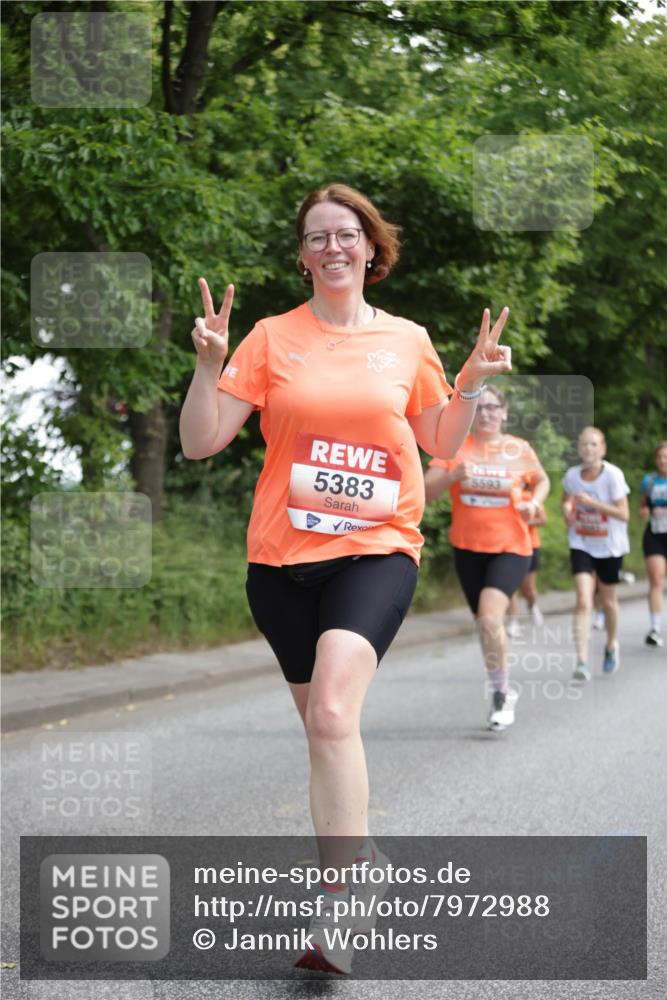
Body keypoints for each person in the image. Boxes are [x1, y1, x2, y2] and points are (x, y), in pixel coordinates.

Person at [179, 183, 512, 974]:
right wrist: (209, 366)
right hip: (279, 563)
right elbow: (199, 443)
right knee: (322, 731)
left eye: (347, 234)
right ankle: (363, 860)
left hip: (377, 548)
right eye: (317, 237)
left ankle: (342, 905)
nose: (333, 248)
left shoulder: (406, 340)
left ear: (371, 248)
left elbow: (439, 439)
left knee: (331, 712)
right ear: (302, 257)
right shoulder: (267, 338)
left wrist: (465, 382)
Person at [424, 385, 550, 732]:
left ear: (504, 412)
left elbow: (542, 481)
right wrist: (451, 476)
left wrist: (534, 503)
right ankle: (501, 686)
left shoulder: (518, 449)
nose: (486, 414)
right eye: (478, 409)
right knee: (484, 623)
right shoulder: (453, 448)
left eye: (493, 407)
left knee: (492, 618)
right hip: (467, 549)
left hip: (512, 546)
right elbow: (424, 494)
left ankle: (500, 693)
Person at [562, 427, 630, 681]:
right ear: (578, 449)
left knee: (609, 602)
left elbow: (624, 514)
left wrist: (593, 504)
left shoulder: (613, 475)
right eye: (584, 445)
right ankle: (581, 660)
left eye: (594, 445)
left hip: (610, 546)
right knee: (583, 599)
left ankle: (611, 644)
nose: (588, 449)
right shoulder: (572, 475)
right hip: (581, 542)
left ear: (602, 449)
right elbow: (566, 501)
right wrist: (568, 510)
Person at [505, 485, 546, 637]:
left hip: (530, 545)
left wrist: (521, 522)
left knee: (527, 587)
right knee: (510, 586)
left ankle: (532, 605)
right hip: (508, 545)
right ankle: (512, 622)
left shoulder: (530, 496)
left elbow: (543, 519)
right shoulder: (505, 492)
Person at [639, 441, 667, 647]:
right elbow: (643, 505)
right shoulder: (649, 481)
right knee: (656, 580)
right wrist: (644, 511)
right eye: (659, 457)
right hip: (655, 534)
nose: (662, 461)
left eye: (666, 457)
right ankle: (655, 628)